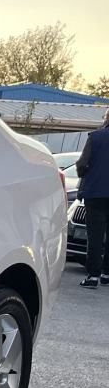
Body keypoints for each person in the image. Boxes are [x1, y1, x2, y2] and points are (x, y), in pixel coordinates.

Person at [79, 110, 109, 288]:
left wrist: (84, 173)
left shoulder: (95, 137)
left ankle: (93, 276)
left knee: (95, 235)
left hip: (95, 192)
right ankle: (107, 273)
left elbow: (82, 163)